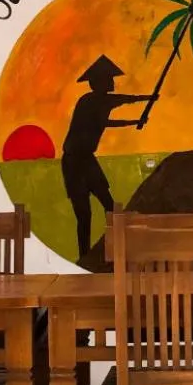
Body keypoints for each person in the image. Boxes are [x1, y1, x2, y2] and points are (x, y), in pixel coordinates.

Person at [61, 55, 155, 259]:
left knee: (109, 205)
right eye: (108, 79)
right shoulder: (90, 102)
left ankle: (115, 249)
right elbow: (105, 121)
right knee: (84, 214)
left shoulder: (101, 101)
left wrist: (148, 99)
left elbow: (124, 99)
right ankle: (84, 255)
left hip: (86, 160)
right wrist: (135, 118)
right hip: (74, 163)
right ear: (98, 82)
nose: (112, 82)